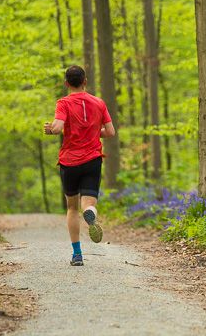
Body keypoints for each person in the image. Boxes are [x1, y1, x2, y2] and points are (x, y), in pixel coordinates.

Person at [43, 65, 116, 266]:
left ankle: (77, 255)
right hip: (92, 160)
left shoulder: (63, 103)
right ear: (85, 81)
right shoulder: (99, 103)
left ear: (67, 83)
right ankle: (90, 213)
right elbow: (110, 132)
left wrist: (50, 129)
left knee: (72, 208)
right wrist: (93, 133)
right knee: (88, 204)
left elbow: (57, 127)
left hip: (70, 162)